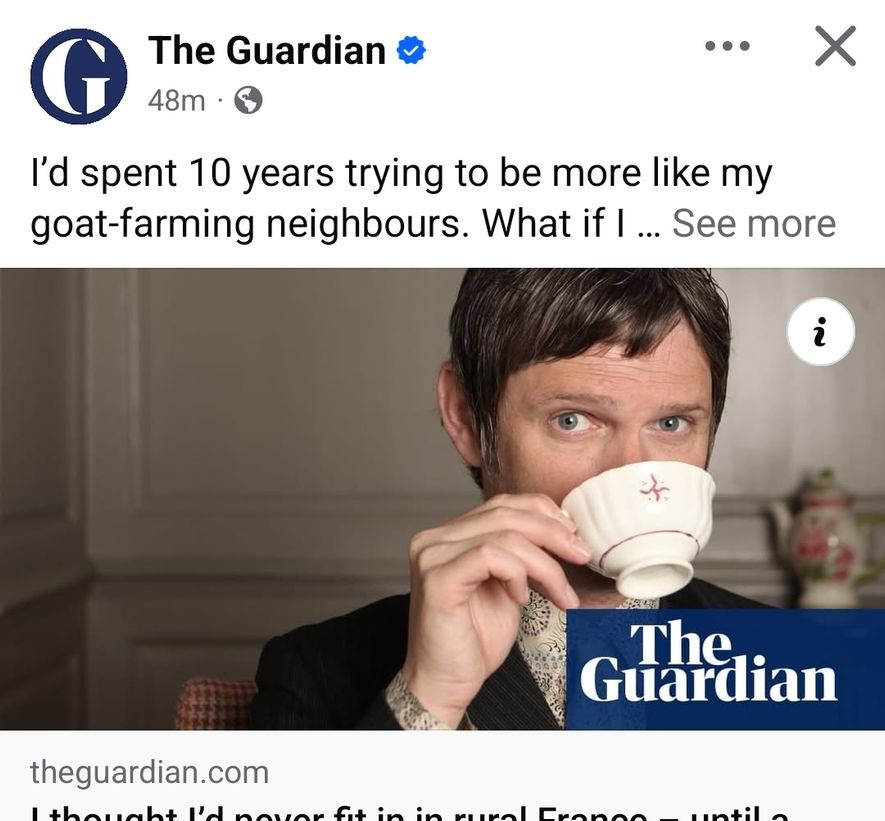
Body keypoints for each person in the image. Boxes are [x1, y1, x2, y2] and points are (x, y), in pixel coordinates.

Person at [251, 268, 765, 731]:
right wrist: (430, 698)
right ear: (467, 417)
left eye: (671, 423)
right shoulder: (318, 673)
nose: (632, 469)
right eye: (573, 420)